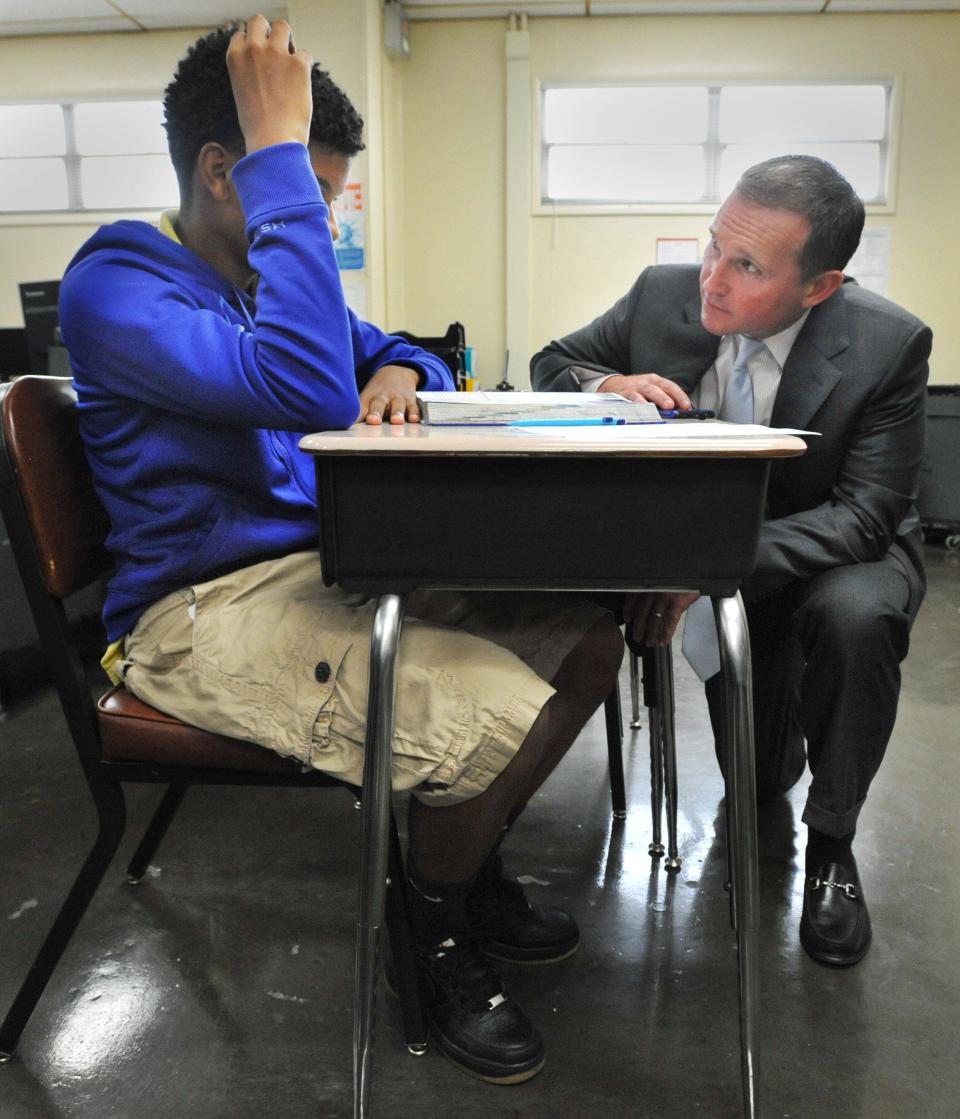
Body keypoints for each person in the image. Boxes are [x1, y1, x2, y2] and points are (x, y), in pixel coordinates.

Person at [59, 16, 624, 1084]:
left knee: (587, 646)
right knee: (495, 717)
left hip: (317, 572)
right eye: (307, 194)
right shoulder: (119, 287)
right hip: (193, 614)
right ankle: (428, 934)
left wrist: (406, 373)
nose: (317, 219)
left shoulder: (260, 283)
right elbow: (307, 383)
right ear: (226, 173)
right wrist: (283, 163)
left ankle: (459, 872)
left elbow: (409, 351)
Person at [531, 154, 931, 968]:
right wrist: (605, 384)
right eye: (715, 246)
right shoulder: (660, 293)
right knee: (757, 781)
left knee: (855, 621)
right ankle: (782, 766)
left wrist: (707, 566)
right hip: (715, 549)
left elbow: (862, 516)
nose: (712, 280)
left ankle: (833, 850)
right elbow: (551, 365)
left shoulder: (889, 344)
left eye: (746, 266)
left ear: (819, 287)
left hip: (840, 546)